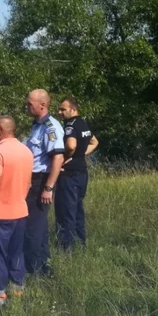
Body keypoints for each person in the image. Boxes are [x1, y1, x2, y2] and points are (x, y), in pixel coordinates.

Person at [0, 116, 34, 306]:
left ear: (1, 130)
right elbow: (28, 184)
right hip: (20, 211)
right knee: (16, 253)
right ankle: (18, 292)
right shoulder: (26, 151)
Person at [24, 89, 65, 276]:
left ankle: (34, 270)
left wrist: (48, 187)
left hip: (41, 181)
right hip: (33, 180)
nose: (27, 106)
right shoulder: (37, 125)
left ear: (43, 104)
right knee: (37, 226)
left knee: (32, 227)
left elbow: (58, 158)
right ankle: (42, 267)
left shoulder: (51, 127)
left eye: (29, 103)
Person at [55, 96, 98, 251]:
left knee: (66, 211)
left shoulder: (70, 125)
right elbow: (95, 142)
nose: (59, 112)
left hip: (69, 174)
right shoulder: (83, 123)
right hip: (82, 173)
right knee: (78, 209)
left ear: (73, 109)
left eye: (63, 109)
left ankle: (67, 249)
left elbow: (71, 145)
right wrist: (81, 154)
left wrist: (67, 156)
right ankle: (81, 243)